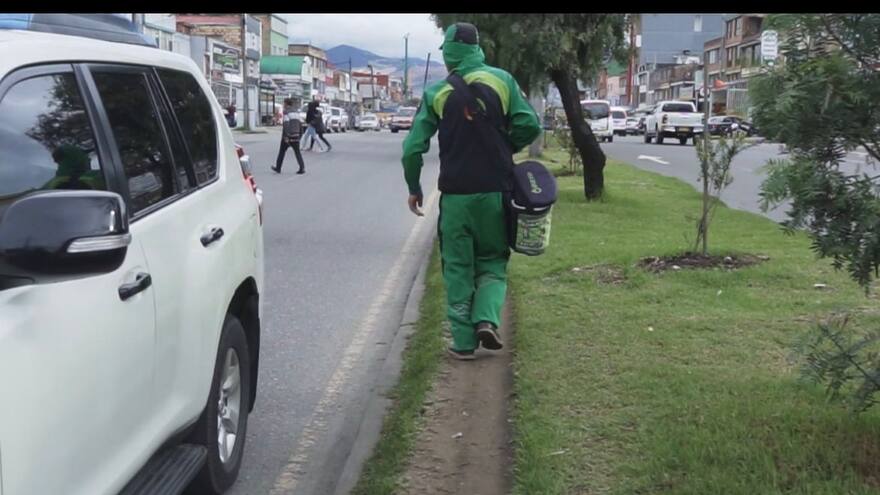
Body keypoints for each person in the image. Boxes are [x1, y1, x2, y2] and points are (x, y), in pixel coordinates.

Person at [401, 22, 541, 361]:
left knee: (458, 265)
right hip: (496, 191)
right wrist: (505, 146)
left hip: (456, 197)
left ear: (448, 53)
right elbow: (530, 125)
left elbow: (412, 149)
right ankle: (487, 319)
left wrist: (415, 187)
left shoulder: (436, 93)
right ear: (477, 49)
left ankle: (463, 343)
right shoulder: (502, 80)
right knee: (493, 259)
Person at [272, 98, 305, 175]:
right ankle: (302, 167)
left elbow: (286, 124)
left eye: (284, 103)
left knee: (282, 152)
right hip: (296, 135)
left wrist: (286, 136)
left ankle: (278, 168)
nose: (283, 105)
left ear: (286, 104)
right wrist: (300, 135)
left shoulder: (286, 112)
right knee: (297, 152)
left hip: (288, 135)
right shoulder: (297, 112)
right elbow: (300, 124)